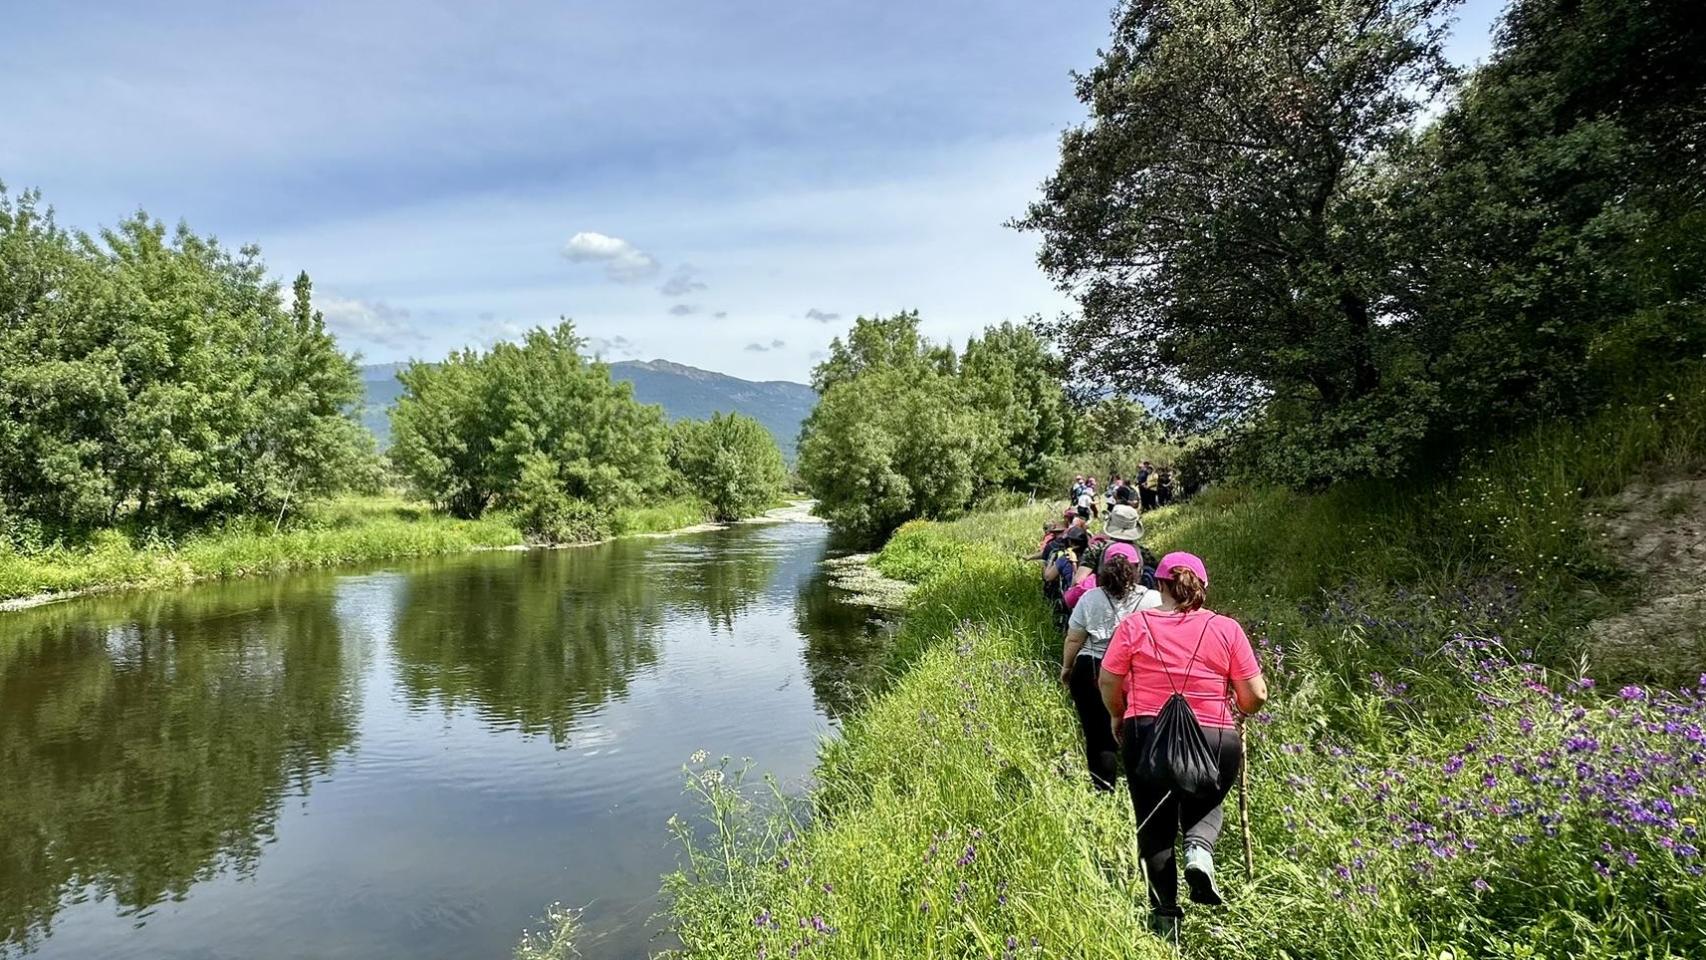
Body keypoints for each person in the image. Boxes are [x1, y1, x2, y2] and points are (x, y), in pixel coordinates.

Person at [1098, 552, 1268, 945]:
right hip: (1215, 735)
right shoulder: (1226, 629)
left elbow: (1108, 681)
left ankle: (1165, 923)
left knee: (1155, 826)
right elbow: (1255, 693)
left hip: (1146, 733)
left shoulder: (1135, 625)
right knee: (1207, 799)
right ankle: (1199, 851)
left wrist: (1116, 715)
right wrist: (1241, 710)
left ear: (1159, 586)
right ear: (1202, 590)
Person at [1060, 544, 1161, 790]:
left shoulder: (1090, 597)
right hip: (1135, 670)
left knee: (1098, 736)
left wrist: (1066, 667)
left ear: (1102, 569)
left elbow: (1074, 638)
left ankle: (1104, 790)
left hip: (1092, 668)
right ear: (1138, 568)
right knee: (1141, 731)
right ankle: (1143, 787)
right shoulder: (1152, 599)